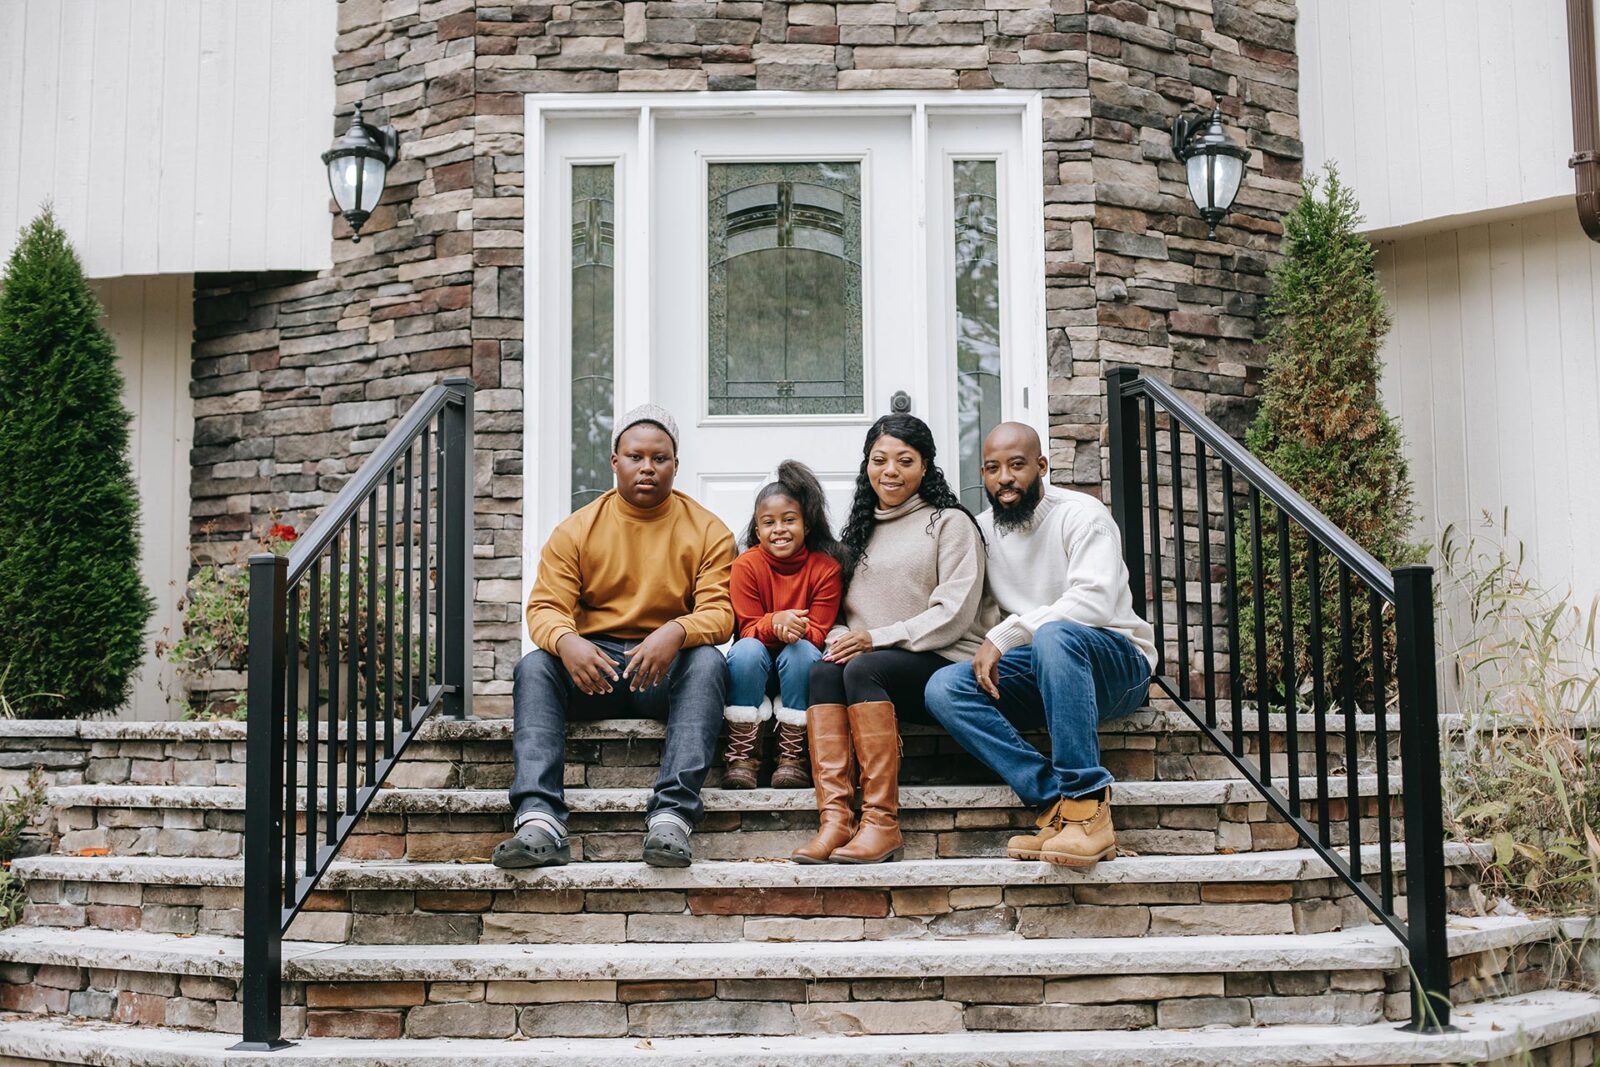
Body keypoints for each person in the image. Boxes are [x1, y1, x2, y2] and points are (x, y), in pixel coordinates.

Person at [493, 404, 736, 870]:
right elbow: (544, 609)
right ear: (614, 461)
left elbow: (721, 613)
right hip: (593, 672)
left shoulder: (708, 531)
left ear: (676, 465)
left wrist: (677, 630)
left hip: (662, 671)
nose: (647, 467)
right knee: (535, 666)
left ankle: (671, 817)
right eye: (635, 456)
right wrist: (567, 642)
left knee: (708, 661)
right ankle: (540, 820)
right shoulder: (577, 529)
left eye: (659, 458)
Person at [924, 422, 1156, 868]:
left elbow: (1093, 600)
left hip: (1116, 663)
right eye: (992, 468)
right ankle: (1057, 806)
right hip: (1042, 667)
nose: (1004, 479)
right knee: (943, 687)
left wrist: (1007, 635)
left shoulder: (1082, 514)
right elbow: (977, 615)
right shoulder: (982, 530)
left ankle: (1088, 802)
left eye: (1016, 465)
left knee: (1056, 634)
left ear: (1042, 466)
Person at [794, 414, 986, 865]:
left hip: (941, 661)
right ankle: (835, 821)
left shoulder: (950, 523)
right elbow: (841, 614)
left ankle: (881, 823)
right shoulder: (862, 530)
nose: (890, 471)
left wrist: (873, 640)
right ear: (867, 466)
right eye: (879, 460)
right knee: (823, 671)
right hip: (876, 664)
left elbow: (954, 614)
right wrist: (843, 638)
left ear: (925, 467)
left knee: (864, 665)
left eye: (905, 460)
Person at [721, 461, 846, 790]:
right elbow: (746, 628)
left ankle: (792, 756)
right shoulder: (746, 565)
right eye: (769, 523)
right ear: (758, 530)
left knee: (801, 650)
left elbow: (818, 632)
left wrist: (793, 629)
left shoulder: (825, 569)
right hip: (754, 672)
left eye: (789, 520)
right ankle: (742, 755)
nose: (779, 529)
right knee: (746, 650)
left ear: (806, 525)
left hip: (799, 670)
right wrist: (775, 623)